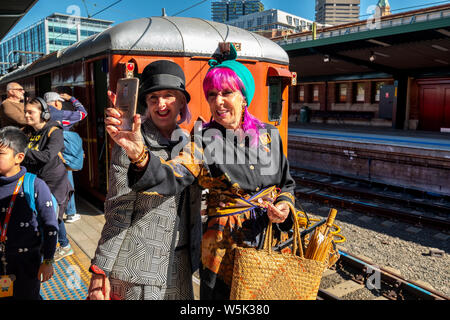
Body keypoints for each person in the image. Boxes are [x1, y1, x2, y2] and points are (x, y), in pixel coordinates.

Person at [105, 46, 296, 300]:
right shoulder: (204, 139)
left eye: (226, 92)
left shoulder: (267, 135)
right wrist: (140, 156)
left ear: (243, 96)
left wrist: (283, 206)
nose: (218, 101)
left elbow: (286, 184)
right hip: (223, 254)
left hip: (268, 244)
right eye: (211, 94)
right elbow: (174, 175)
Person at [88, 60, 202, 300]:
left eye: (169, 96)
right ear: (146, 103)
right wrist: (100, 270)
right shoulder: (130, 144)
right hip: (138, 272)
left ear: (182, 100)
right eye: (153, 98)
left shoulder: (188, 142)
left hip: (180, 265)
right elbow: (118, 209)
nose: (161, 104)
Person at [0, 126, 58, 300]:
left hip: (27, 261)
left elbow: (50, 227)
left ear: (19, 157)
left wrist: (47, 261)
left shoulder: (35, 185)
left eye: (1, 153)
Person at [22, 98, 74, 262]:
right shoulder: (28, 132)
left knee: (53, 217)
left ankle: (63, 246)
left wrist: (21, 152)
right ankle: (56, 245)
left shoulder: (54, 131)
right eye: (25, 112)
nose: (26, 115)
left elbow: (47, 156)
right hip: (36, 182)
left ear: (43, 113)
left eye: (31, 112)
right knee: (47, 215)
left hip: (54, 183)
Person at [44, 90, 88, 223]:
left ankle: (51, 211)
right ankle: (70, 213)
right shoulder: (61, 114)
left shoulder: (41, 114)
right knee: (67, 183)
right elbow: (83, 113)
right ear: (57, 102)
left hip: (46, 153)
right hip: (62, 154)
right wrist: (72, 98)